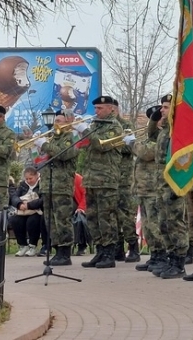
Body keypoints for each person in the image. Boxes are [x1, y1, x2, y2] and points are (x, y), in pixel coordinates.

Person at [80, 95, 124, 269]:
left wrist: (84, 130)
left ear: (110, 109)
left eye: (100, 108)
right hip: (91, 179)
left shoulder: (115, 127)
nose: (96, 111)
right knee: (92, 217)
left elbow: (101, 145)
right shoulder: (96, 125)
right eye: (96, 108)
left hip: (106, 179)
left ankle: (109, 253)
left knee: (106, 217)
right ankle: (99, 250)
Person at [35, 109, 79, 266]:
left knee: (62, 219)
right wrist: (39, 148)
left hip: (62, 185)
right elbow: (43, 161)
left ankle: (65, 252)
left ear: (68, 123)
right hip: (48, 185)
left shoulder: (71, 137)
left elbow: (64, 154)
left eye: (59, 121)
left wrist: (45, 145)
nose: (56, 124)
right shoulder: (52, 139)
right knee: (50, 220)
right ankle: (56, 250)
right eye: (55, 121)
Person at [154, 93, 190, 279]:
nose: (162, 110)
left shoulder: (178, 130)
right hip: (161, 184)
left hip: (173, 183)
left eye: (166, 107)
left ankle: (180, 261)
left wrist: (178, 185)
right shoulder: (164, 130)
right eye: (162, 107)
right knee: (163, 223)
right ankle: (170, 257)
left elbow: (183, 159)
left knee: (176, 222)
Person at [133, 102, 168, 273]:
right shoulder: (150, 137)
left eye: (160, 118)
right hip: (144, 189)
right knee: (147, 226)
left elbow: (146, 153)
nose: (157, 122)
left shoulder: (164, 138)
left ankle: (162, 255)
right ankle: (154, 255)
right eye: (155, 119)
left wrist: (133, 143)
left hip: (154, 188)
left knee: (155, 225)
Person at [110, 99, 140, 263]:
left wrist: (113, 144)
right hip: (109, 176)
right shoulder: (103, 126)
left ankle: (133, 246)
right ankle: (117, 248)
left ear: (114, 109)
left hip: (123, 177)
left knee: (124, 213)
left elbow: (130, 147)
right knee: (111, 215)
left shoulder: (126, 125)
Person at [10, 167, 46, 257]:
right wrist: (19, 204)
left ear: (36, 176)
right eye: (27, 179)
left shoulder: (42, 184)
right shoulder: (22, 185)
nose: (29, 181)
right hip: (23, 211)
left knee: (32, 221)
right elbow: (14, 197)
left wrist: (29, 205)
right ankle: (23, 245)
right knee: (15, 220)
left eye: (31, 178)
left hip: (37, 210)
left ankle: (32, 245)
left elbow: (43, 199)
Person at [73, 172, 89, 256]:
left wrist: (81, 207)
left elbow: (85, 194)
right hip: (65, 205)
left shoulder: (78, 178)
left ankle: (82, 245)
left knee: (80, 219)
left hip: (78, 205)